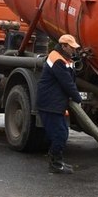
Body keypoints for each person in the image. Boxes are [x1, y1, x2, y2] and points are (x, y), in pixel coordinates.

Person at [37, 34, 83, 174]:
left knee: (62, 132)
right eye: (71, 48)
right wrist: (78, 99)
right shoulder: (57, 59)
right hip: (50, 103)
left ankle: (57, 162)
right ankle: (55, 164)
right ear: (63, 46)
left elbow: (71, 79)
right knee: (60, 134)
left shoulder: (64, 58)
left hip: (55, 103)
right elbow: (67, 82)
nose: (74, 50)